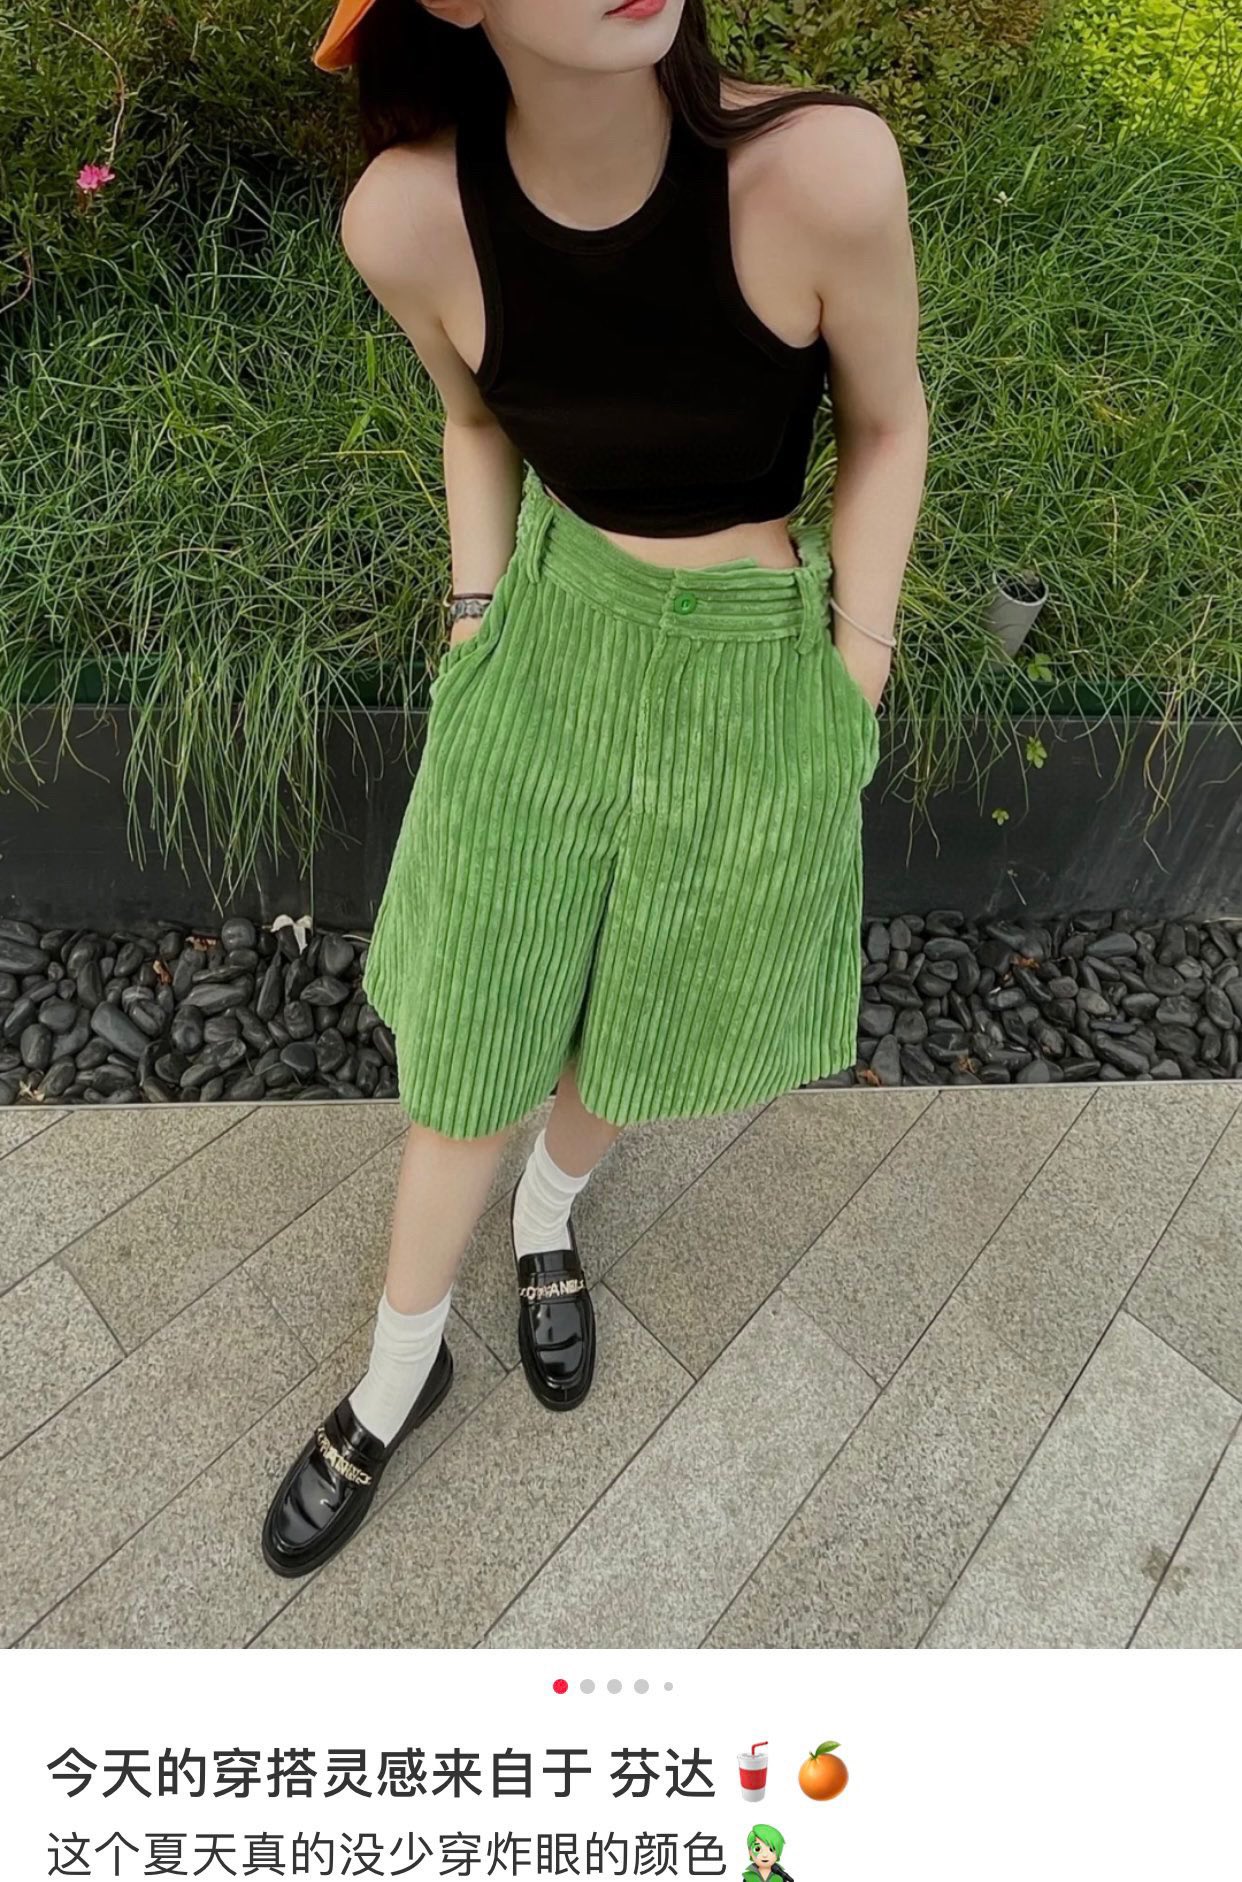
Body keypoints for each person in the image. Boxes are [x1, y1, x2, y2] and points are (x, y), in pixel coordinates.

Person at [261, 0, 927, 1579]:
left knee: (656, 1007)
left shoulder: (820, 171)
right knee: (473, 1031)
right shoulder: (407, 218)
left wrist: (848, 676)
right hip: (546, 645)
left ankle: (547, 1216)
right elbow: (472, 417)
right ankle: (393, 1374)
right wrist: (473, 623)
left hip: (754, 673)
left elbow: (888, 425)